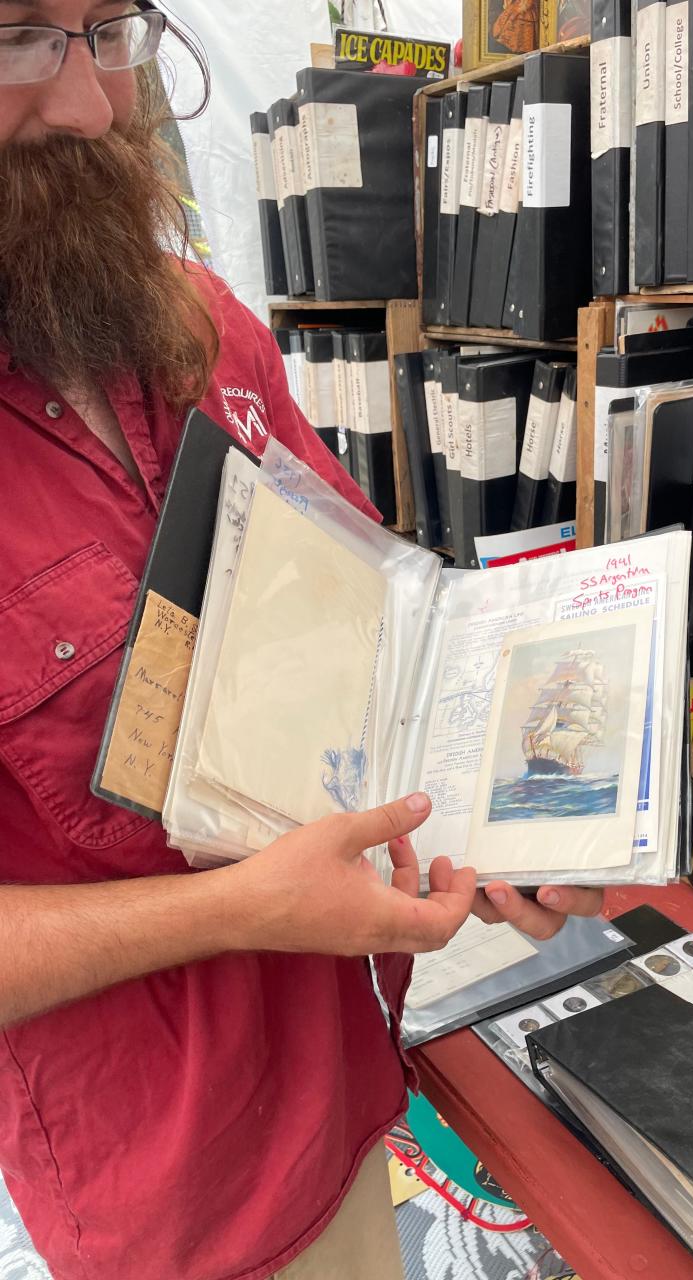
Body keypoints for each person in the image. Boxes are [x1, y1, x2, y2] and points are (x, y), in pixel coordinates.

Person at [0, 4, 604, 1278]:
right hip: (173, 1182)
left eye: (109, 28)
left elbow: (382, 629)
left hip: (347, 1076)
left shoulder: (197, 323)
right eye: (14, 39)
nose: (97, 106)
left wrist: (517, 828)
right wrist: (233, 910)